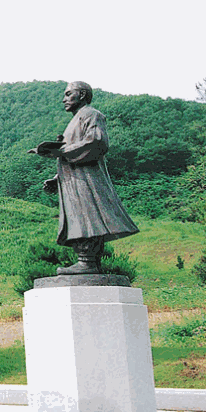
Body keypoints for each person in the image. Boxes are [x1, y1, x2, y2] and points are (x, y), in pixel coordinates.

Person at [30, 81, 138, 275]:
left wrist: (60, 150)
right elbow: (72, 151)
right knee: (79, 218)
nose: (63, 99)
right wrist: (57, 178)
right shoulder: (75, 120)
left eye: (68, 94)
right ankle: (88, 262)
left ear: (81, 95)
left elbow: (96, 142)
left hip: (86, 180)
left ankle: (87, 262)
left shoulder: (91, 114)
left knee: (87, 218)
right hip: (73, 180)